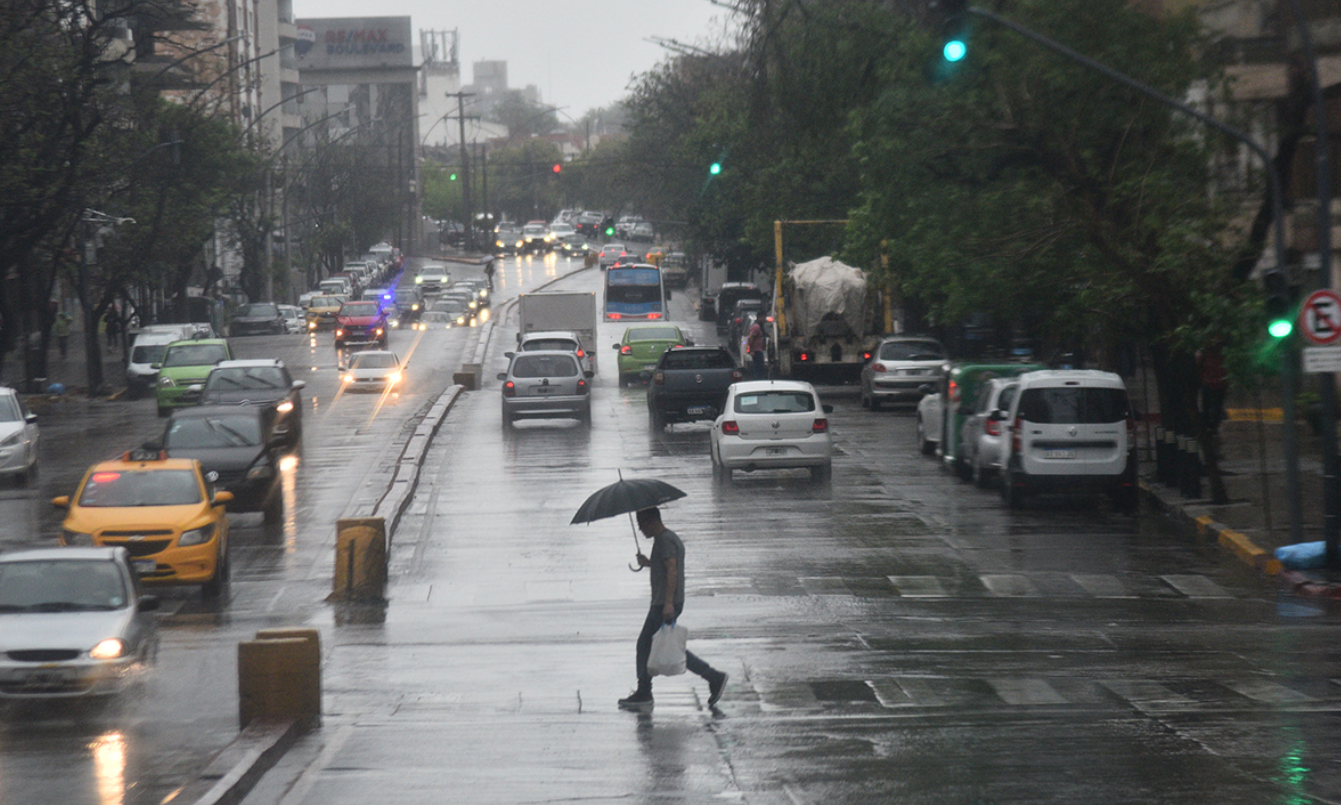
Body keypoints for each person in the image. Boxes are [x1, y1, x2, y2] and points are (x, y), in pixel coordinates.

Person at [618, 506, 728, 711]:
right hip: (664, 602)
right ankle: (711, 677)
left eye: (642, 525)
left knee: (649, 645)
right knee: (656, 646)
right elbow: (666, 566)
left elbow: (672, 570)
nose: (642, 530)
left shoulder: (665, 540)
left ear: (652, 520)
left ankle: (646, 692)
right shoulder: (667, 539)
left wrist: (668, 603)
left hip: (664, 603)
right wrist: (648, 563)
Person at [1197, 342, 1229, 438]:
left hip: (1219, 384)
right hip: (1209, 383)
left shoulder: (1223, 354)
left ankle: (1213, 427)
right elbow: (1199, 367)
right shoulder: (1204, 354)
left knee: (1216, 407)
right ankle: (1208, 426)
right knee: (1207, 406)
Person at [747, 313, 767, 379]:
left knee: (760, 368)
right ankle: (758, 380)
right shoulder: (756, 327)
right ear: (759, 317)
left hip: (759, 350)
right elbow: (750, 338)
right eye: (764, 318)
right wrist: (751, 350)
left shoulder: (760, 327)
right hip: (756, 351)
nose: (765, 319)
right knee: (758, 368)